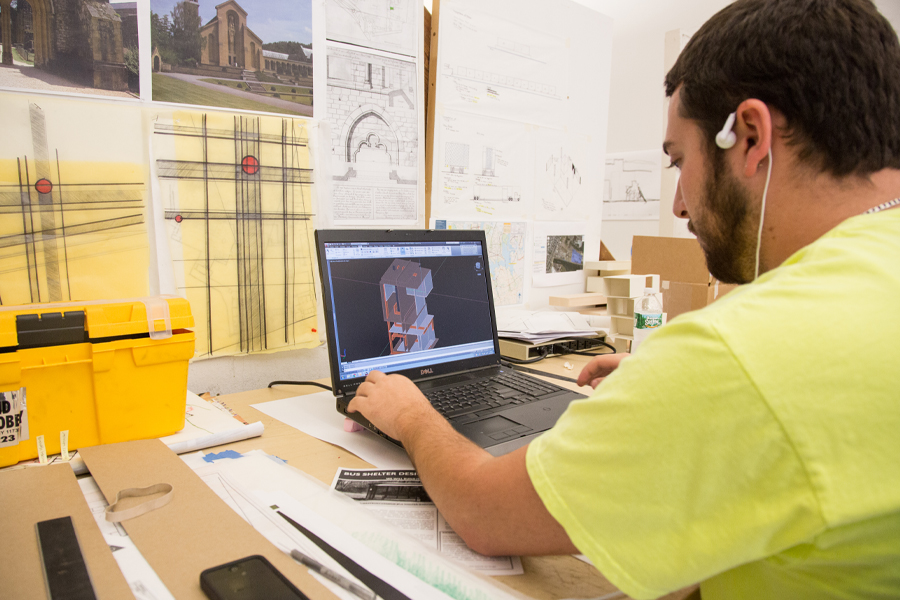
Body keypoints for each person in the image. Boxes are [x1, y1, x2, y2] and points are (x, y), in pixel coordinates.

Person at [348, 0, 900, 597]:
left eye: (679, 161)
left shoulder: (745, 355)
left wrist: (409, 414)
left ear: (748, 135)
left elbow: (483, 513)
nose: (679, 205)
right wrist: (669, 387)